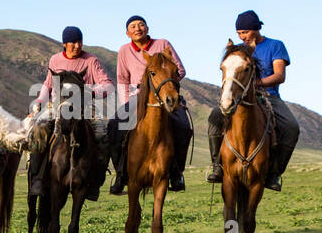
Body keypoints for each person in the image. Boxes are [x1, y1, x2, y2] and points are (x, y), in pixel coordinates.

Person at [206, 11, 300, 191]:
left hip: (268, 95)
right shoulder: (238, 51)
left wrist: (255, 83)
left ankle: (274, 173)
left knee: (291, 127)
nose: (243, 36)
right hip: (240, 97)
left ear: (257, 28)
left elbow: (279, 75)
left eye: (246, 32)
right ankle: (217, 166)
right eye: (240, 32)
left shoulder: (275, 45)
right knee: (214, 117)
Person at [27, 26, 115, 201]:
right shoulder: (55, 60)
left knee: (102, 134)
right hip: (57, 106)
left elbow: (108, 85)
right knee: (38, 130)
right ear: (64, 44)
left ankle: (95, 183)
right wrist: (39, 102)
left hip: (85, 107)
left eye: (79, 41)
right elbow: (48, 84)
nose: (77, 45)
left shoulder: (91, 60)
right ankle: (37, 178)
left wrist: (90, 92)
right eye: (73, 42)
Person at [107, 16, 193, 194]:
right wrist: (127, 105)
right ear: (127, 33)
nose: (137, 28)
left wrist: (165, 85)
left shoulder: (163, 44)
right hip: (137, 97)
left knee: (184, 127)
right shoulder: (124, 51)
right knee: (115, 125)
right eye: (133, 26)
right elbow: (122, 80)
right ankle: (121, 174)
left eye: (141, 25)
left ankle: (176, 173)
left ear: (147, 28)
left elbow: (180, 70)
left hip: (165, 95)